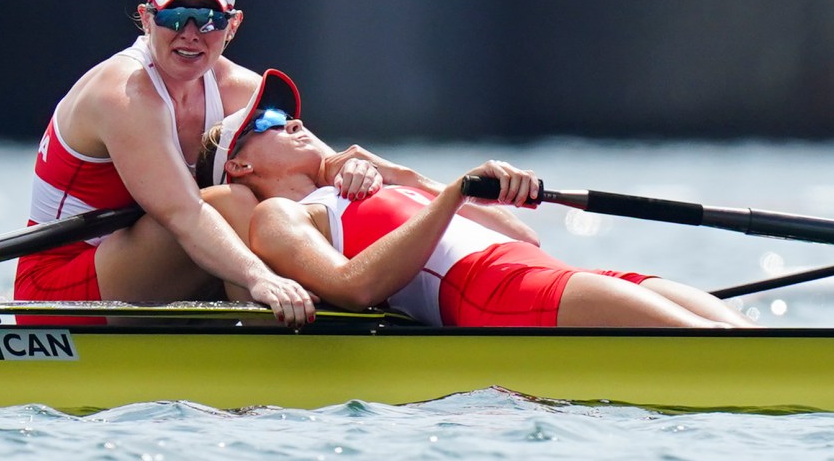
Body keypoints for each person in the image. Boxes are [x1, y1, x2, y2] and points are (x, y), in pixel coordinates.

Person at [196, 69, 757, 328]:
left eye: (290, 110)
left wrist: (408, 177)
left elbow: (522, 236)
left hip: (551, 273)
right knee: (731, 354)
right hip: (496, 296)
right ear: (240, 164)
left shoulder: (375, 184)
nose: (292, 120)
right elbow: (354, 287)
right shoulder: (280, 216)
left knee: (751, 340)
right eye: (268, 120)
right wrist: (458, 190)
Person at [14, 0, 378, 328]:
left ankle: (342, 297)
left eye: (209, 20)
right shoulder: (122, 93)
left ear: (232, 25)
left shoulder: (241, 90)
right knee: (235, 202)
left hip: (157, 268)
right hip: (57, 291)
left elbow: (323, 167)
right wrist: (261, 278)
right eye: (174, 16)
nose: (190, 33)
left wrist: (357, 171)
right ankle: (279, 339)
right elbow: (185, 214)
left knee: (279, 197)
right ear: (146, 17)